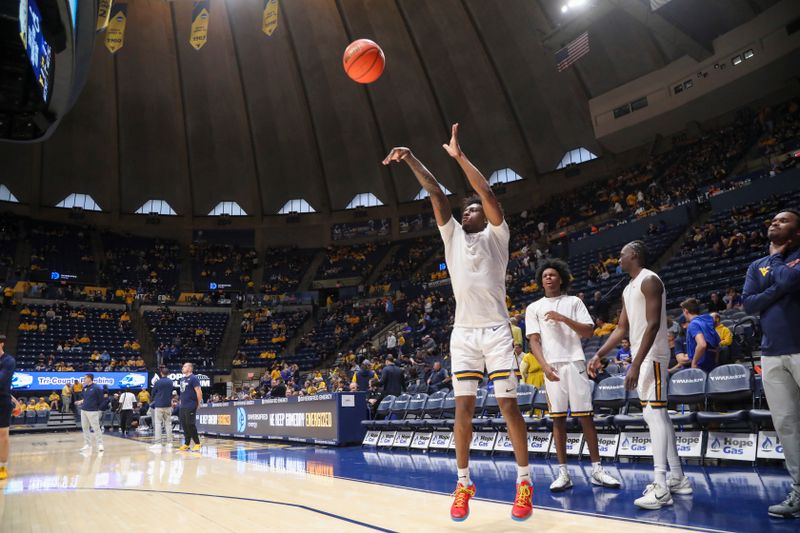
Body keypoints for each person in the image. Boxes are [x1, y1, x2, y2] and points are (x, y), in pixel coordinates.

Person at [384, 123, 532, 522]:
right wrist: (411, 156)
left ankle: (524, 481)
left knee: (508, 406)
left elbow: (487, 192)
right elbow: (435, 192)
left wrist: (459, 157)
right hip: (464, 333)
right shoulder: (451, 237)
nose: (468, 210)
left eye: (473, 209)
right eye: (464, 209)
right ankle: (463, 481)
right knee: (461, 408)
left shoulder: (498, 235)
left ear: (485, 216)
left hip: (498, 330)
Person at [589, 241, 692, 509]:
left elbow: (654, 323)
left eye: (621, 255)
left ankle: (661, 487)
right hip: (642, 358)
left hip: (653, 357)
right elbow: (621, 329)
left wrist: (636, 363)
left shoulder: (650, 280)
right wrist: (598, 354)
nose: (618, 259)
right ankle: (678, 478)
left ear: (633, 254)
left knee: (655, 415)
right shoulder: (628, 288)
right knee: (657, 415)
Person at [525, 258, 620, 492]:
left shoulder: (574, 302)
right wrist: (544, 365)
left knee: (586, 416)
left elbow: (588, 331)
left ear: (561, 278)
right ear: (541, 280)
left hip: (575, 362)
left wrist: (563, 318)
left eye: (553, 274)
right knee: (557, 418)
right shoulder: (533, 308)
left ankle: (597, 470)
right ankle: (563, 473)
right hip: (553, 366)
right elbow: (534, 341)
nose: (548, 277)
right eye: (545, 275)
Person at [742, 209, 800, 518]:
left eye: (783, 220)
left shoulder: (783, 260)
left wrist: (777, 261)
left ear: (797, 232)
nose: (774, 222)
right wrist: (780, 288)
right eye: (772, 220)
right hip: (771, 353)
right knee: (787, 425)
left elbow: (790, 277)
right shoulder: (756, 265)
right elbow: (749, 303)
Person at [679, 298, 721, 372]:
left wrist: (694, 363)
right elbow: (717, 344)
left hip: (701, 363)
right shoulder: (707, 320)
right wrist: (716, 361)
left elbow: (702, 344)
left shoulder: (693, 324)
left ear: (685, 311)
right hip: (712, 361)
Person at [0, 335, 20, 480]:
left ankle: (2, 467)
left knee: (3, 436)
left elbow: (2, 382)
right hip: (6, 396)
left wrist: (13, 400)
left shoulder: (8, 361)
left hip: (2, 401)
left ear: (1, 344)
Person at [76, 374, 104, 453]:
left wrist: (97, 409)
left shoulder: (97, 388)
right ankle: (87, 444)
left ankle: (100, 444)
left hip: (93, 411)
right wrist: (81, 402)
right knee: (85, 428)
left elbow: (101, 400)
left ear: (89, 378)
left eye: (85, 378)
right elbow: (85, 399)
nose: (84, 379)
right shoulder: (84, 388)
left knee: (96, 428)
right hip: (83, 410)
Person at [178, 362, 203, 451]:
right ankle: (187, 443)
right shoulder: (182, 379)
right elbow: (182, 393)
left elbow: (199, 391)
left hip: (191, 405)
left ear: (189, 368)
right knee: (184, 425)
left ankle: (197, 443)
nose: (182, 368)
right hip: (183, 406)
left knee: (190, 424)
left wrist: (199, 403)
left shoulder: (194, 378)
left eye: (184, 366)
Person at [149, 366, 174, 451]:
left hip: (159, 405)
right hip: (168, 405)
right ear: (168, 373)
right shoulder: (170, 382)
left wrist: (153, 399)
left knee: (158, 424)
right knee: (168, 424)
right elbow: (171, 393)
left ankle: (158, 443)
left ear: (161, 373)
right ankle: (169, 443)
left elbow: (153, 393)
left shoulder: (158, 382)